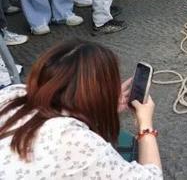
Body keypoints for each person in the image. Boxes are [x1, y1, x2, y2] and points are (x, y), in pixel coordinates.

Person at [0, 40, 162, 178]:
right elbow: (152, 177)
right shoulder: (75, 141)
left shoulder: (13, 94)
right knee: (128, 144)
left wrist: (102, 105)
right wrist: (145, 125)